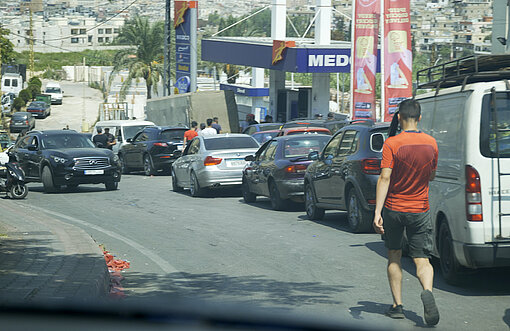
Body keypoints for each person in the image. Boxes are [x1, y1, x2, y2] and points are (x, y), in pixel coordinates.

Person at [373, 99, 440, 326]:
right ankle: (428, 291)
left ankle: (397, 305)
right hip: (420, 209)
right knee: (422, 259)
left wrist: (377, 212)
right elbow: (431, 176)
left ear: (399, 118)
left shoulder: (392, 143)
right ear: (419, 118)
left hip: (394, 208)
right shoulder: (431, 143)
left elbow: (384, 177)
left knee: (394, 255)